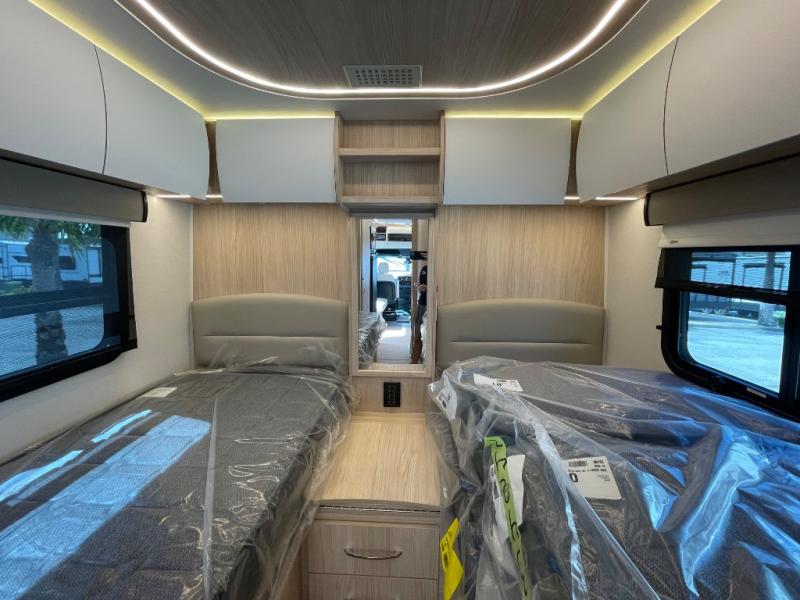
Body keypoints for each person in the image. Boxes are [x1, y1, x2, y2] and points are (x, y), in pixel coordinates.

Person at [411, 265, 427, 364]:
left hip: (434, 305)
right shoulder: (425, 269)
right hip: (422, 304)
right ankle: (413, 362)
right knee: (418, 336)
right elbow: (421, 287)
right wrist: (422, 288)